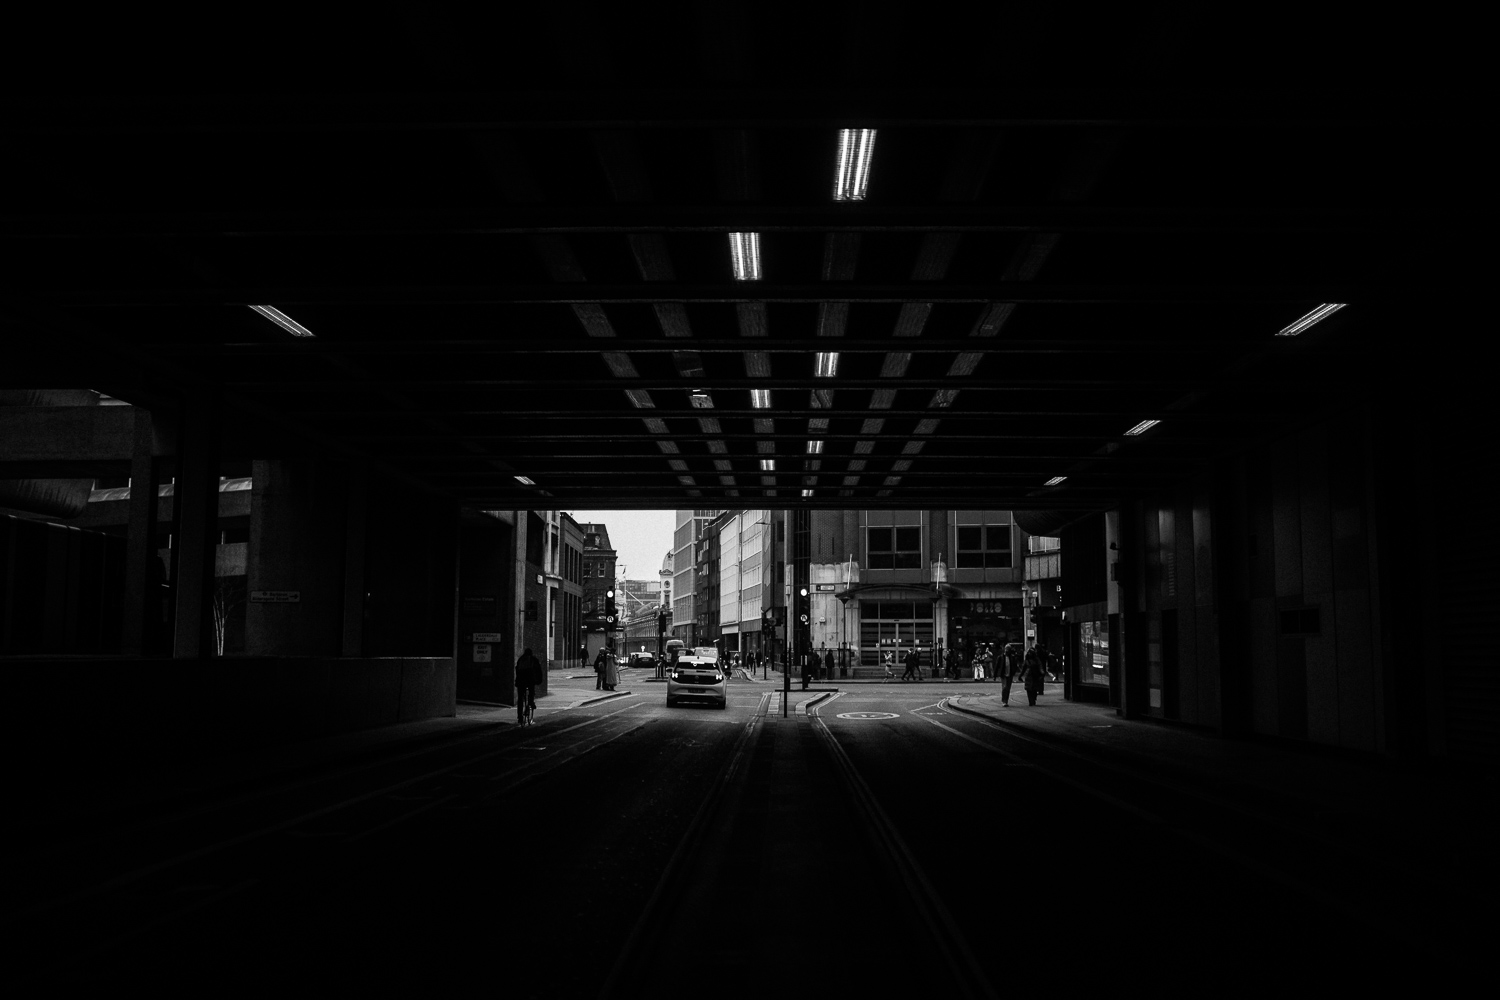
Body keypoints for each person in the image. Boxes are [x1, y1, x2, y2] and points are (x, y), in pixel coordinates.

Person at [514, 647, 542, 726]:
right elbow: (538, 670)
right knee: (531, 691)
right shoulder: (533, 659)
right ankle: (531, 702)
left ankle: (520, 717)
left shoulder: (521, 659)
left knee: (520, 698)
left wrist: (517, 681)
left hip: (520, 681)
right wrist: (538, 680)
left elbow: (517, 670)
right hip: (530, 680)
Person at [1022, 641, 1047, 706]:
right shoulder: (1034, 660)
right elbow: (1040, 666)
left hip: (1031, 675)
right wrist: (1042, 672)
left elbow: (1024, 668)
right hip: (1033, 675)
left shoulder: (1029, 660)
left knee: (1031, 689)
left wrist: (1021, 675)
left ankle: (1032, 700)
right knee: (1032, 688)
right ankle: (1032, 700)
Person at [996, 642, 1018, 706]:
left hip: (1010, 674)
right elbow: (997, 666)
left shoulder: (1012, 657)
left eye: (1008, 649)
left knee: (1008, 688)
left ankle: (1006, 700)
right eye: (1006, 649)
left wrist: (1013, 672)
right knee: (1004, 687)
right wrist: (995, 675)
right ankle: (1004, 701)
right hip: (1003, 674)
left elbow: (1015, 665)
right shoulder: (1001, 657)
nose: (1007, 650)